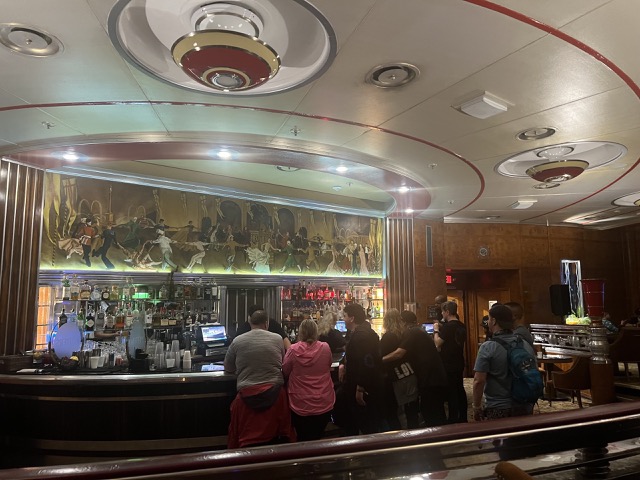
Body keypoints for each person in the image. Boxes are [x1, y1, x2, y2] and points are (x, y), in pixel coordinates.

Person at [224, 309, 295, 448]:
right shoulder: (277, 339)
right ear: (266, 323)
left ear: (250, 322)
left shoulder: (237, 341)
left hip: (246, 397)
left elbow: (228, 367)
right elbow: (282, 361)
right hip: (276, 395)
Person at [382, 310, 447, 428]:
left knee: (432, 414)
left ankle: (438, 440)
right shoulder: (419, 331)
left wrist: (379, 360)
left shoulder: (412, 332)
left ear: (403, 322)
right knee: (435, 411)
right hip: (434, 376)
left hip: (431, 379)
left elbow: (399, 354)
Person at [472, 304, 536, 421]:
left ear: (494, 321)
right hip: (524, 404)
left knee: (500, 438)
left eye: (489, 319)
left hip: (498, 406)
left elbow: (479, 381)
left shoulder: (488, 347)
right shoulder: (524, 344)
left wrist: (476, 407)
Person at [282, 319, 335, 441]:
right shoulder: (325, 347)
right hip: (324, 401)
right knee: (318, 435)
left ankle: (305, 457)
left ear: (301, 332)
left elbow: (285, 370)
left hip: (300, 403)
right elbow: (329, 364)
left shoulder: (293, 350)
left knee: (303, 437)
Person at [338, 303, 383, 435]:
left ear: (352, 318)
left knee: (365, 424)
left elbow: (366, 363)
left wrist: (360, 388)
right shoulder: (361, 332)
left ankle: (367, 453)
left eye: (345, 316)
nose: (343, 319)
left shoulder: (361, 336)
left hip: (363, 388)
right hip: (363, 385)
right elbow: (353, 355)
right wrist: (342, 364)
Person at [433, 301, 467, 423]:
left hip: (448, 362)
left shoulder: (448, 327)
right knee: (459, 389)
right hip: (459, 361)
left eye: (443, 311)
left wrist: (436, 330)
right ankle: (463, 416)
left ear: (447, 312)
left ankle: (453, 418)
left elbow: (437, 343)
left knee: (451, 391)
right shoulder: (461, 325)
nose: (442, 313)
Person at [379, 308, 413, 430]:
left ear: (386, 320)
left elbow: (380, 355)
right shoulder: (403, 334)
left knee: (391, 410)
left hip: (391, 376)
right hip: (404, 373)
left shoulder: (388, 336)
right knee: (403, 408)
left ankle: (395, 434)